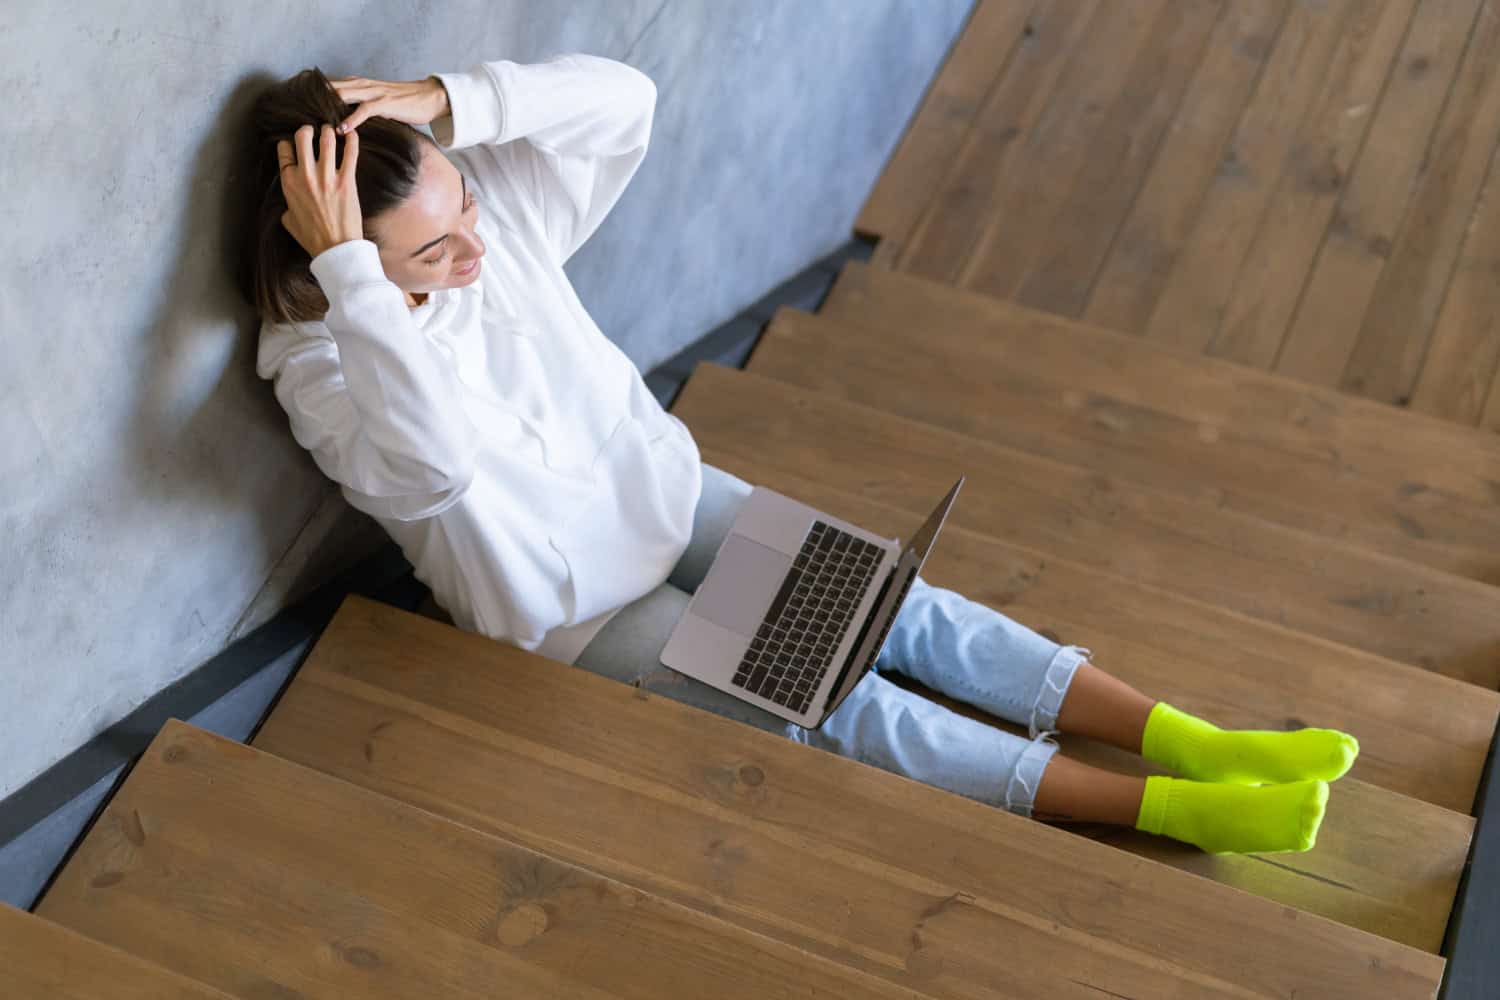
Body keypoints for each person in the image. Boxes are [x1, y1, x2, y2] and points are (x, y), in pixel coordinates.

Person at [245, 52, 1358, 855]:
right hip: (571, 611)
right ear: (336, 251)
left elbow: (625, 105)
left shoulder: (497, 233)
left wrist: (454, 100)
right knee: (840, 704)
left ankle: (1193, 739)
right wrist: (354, 280)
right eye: (438, 248)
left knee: (897, 603)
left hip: (669, 496)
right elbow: (432, 466)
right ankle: (1164, 810)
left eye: (471, 207)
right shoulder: (317, 365)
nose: (480, 248)